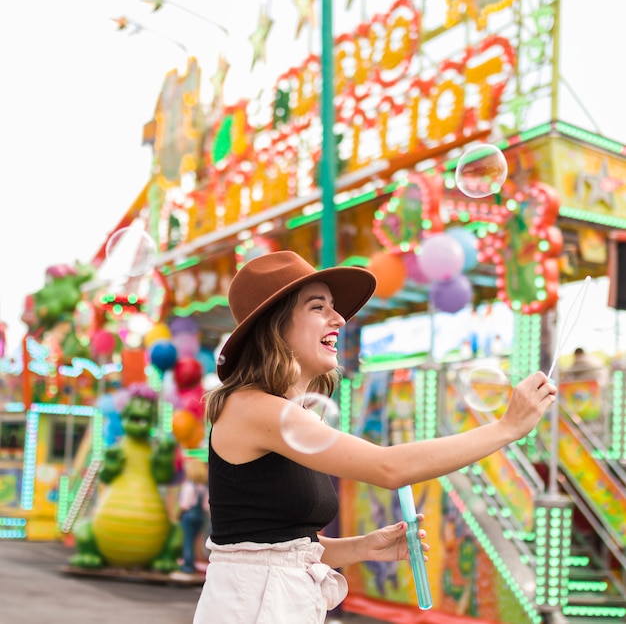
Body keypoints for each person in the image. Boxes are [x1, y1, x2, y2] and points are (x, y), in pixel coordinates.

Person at [193, 251, 556, 624]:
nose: (338, 318)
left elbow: (275, 545)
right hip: (253, 605)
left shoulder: (287, 414)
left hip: (275, 600)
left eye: (334, 308)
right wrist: (505, 429)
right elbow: (389, 467)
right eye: (318, 307)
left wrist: (362, 547)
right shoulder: (251, 407)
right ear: (275, 326)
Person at [176, 457, 210, 576]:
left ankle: (188, 565)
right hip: (200, 516)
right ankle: (192, 562)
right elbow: (206, 506)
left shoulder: (189, 486)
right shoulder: (204, 487)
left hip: (189, 516)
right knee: (195, 540)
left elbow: (185, 504)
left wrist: (178, 514)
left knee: (188, 540)